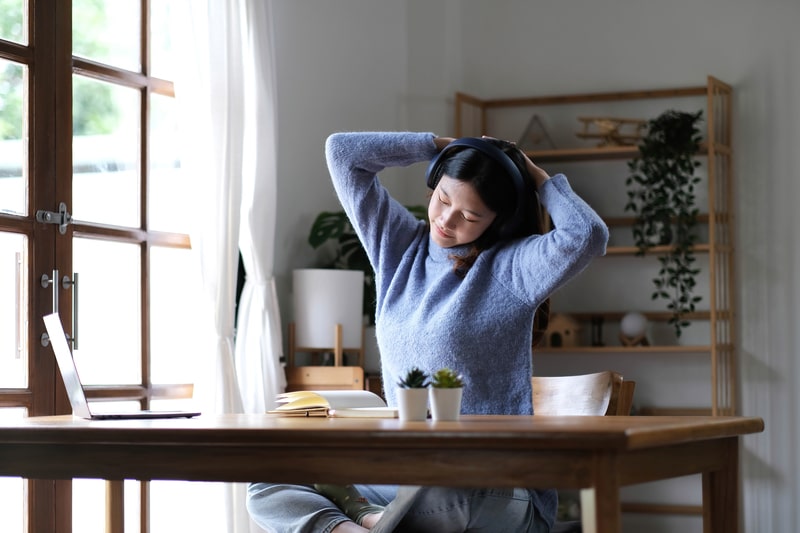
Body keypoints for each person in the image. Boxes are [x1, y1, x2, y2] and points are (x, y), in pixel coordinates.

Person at [247, 131, 608, 532]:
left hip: (494, 485)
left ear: (497, 220)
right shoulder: (398, 246)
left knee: (444, 488)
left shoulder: (514, 268)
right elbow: (342, 152)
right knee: (268, 480)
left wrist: (538, 178)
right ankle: (361, 524)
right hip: (406, 477)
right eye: (443, 199)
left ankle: (372, 519)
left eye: (469, 217)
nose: (446, 220)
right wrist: (439, 146)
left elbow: (587, 235)